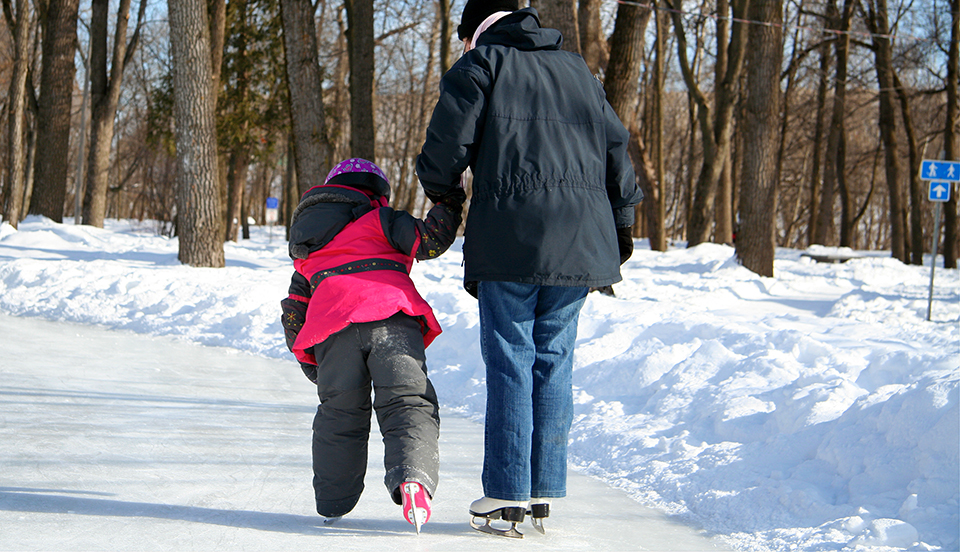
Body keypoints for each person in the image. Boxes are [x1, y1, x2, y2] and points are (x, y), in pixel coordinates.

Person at [415, 0, 643, 538]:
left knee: (512, 358)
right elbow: (616, 149)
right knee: (553, 360)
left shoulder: (482, 65)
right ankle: (542, 489)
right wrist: (623, 221)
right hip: (581, 240)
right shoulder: (579, 70)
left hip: (513, 238)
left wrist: (445, 195)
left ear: (477, 30)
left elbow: (446, 146)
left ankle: (508, 490)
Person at [280, 158, 465, 533]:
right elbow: (429, 240)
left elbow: (294, 312)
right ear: (377, 193)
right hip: (391, 318)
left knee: (339, 414)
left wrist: (313, 363)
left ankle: (333, 503)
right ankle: (412, 478)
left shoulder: (309, 244)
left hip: (334, 330)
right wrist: (450, 202)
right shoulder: (382, 219)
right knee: (407, 402)